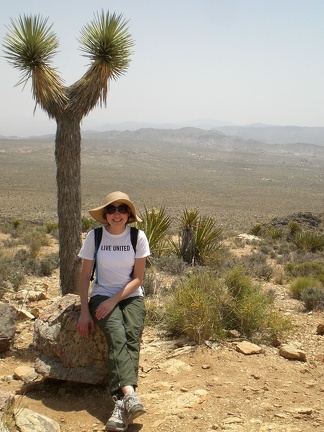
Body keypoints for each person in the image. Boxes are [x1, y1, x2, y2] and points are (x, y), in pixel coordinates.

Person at [77, 191, 150, 432]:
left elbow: (138, 279)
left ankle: (121, 406)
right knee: (116, 334)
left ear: (129, 214)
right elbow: (85, 276)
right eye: (111, 209)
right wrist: (85, 312)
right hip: (100, 296)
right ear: (105, 214)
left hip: (130, 296)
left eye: (122, 209)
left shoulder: (137, 237)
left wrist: (115, 300)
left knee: (131, 336)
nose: (116, 214)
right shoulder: (94, 237)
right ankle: (130, 395)